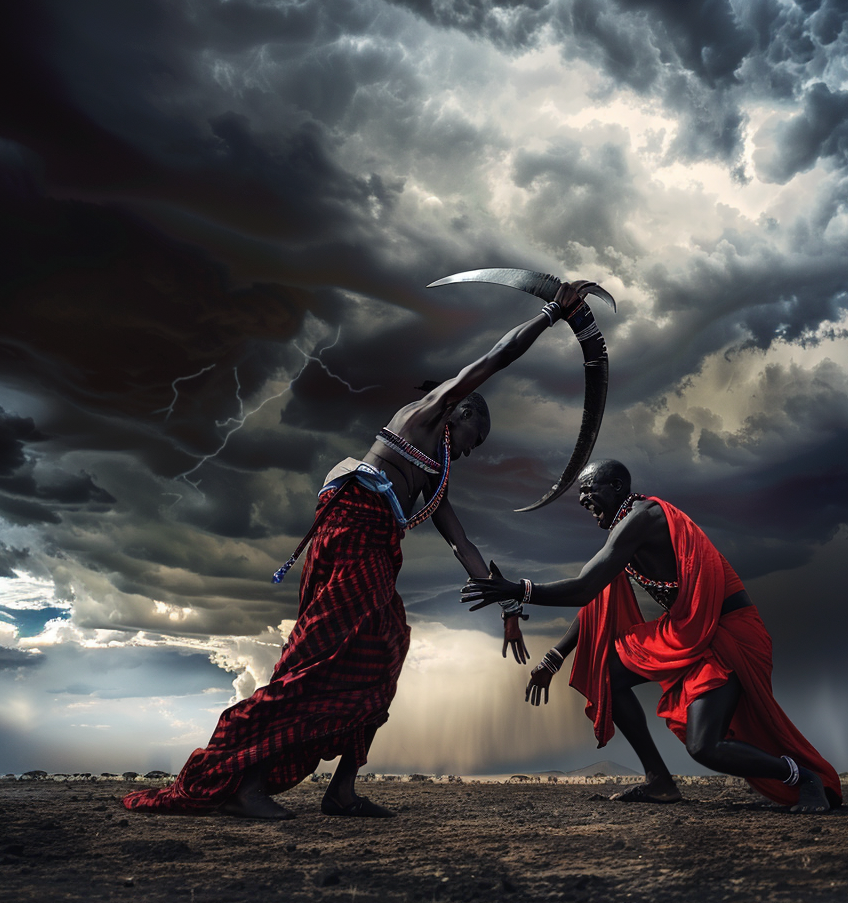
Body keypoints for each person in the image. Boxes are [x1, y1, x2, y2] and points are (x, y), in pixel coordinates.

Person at [123, 280, 590, 820]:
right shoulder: (423, 417)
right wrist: (553, 313)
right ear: (459, 414)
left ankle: (341, 790)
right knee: (312, 662)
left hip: (374, 553)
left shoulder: (434, 476)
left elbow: (463, 544)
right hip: (348, 539)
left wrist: (510, 608)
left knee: (384, 654)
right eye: (474, 439)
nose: (470, 451)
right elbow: (492, 360)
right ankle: (247, 782)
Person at [462, 459, 842, 813]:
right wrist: (553, 659)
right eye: (579, 492)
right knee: (607, 672)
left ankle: (801, 776)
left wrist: (518, 590)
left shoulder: (643, 518)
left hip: (726, 634)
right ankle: (659, 781)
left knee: (704, 747)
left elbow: (583, 588)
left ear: (616, 487)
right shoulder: (624, 532)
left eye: (589, 489)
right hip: (689, 629)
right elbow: (594, 604)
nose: (581, 499)